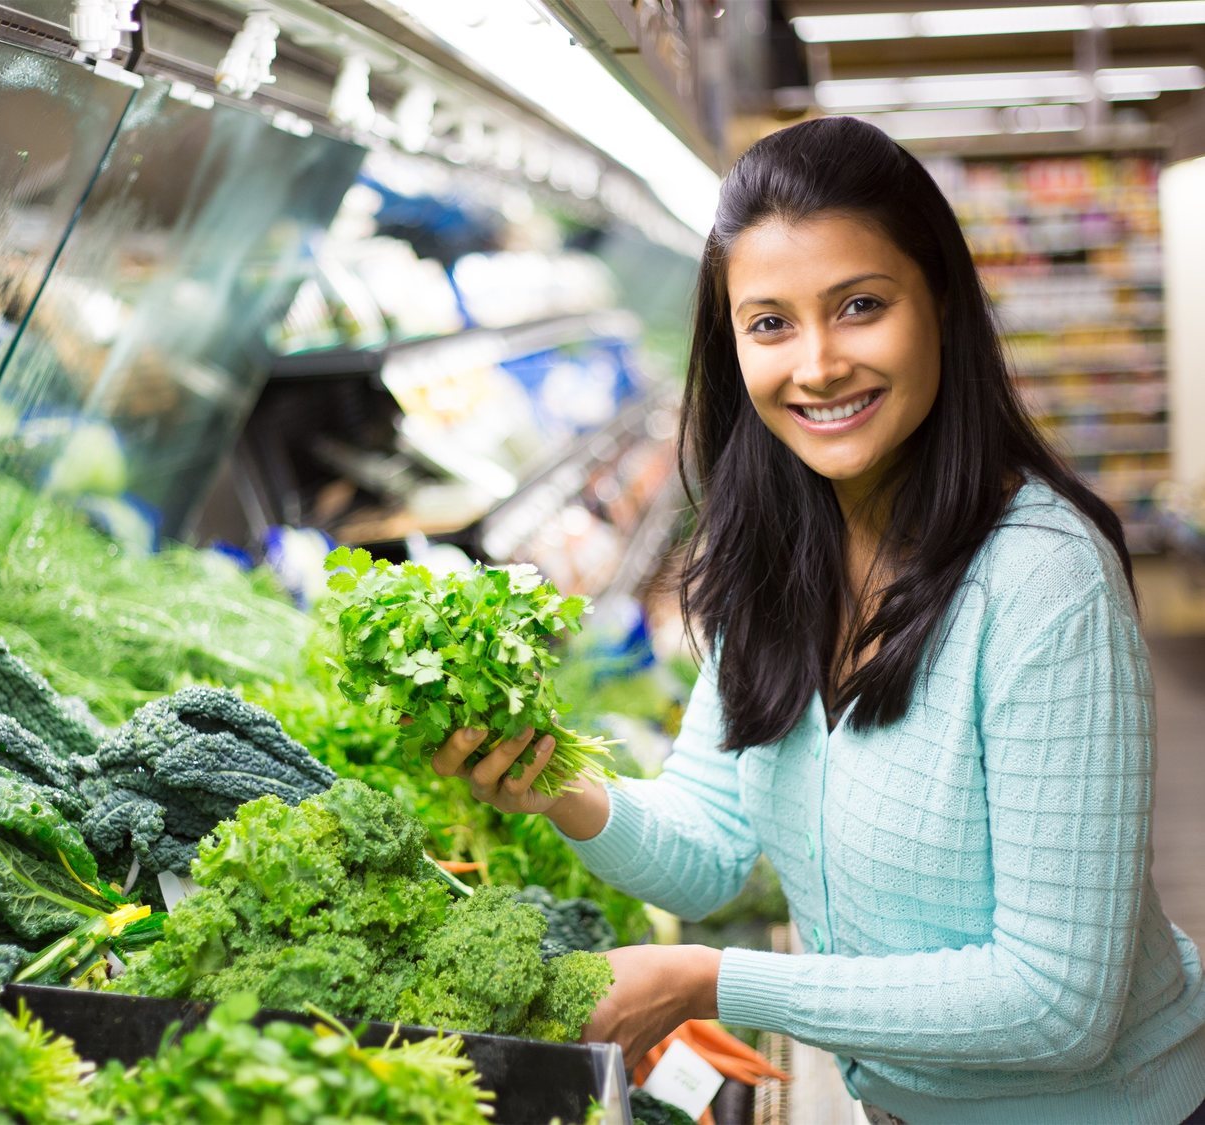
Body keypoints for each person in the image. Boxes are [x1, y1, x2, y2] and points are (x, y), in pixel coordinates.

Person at [430, 116, 1205, 1125]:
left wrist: (716, 982)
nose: (819, 364)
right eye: (771, 324)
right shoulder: (777, 561)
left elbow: (1059, 1005)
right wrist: (554, 780)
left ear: (940, 306)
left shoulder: (1043, 581)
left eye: (861, 306)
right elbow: (706, 850)